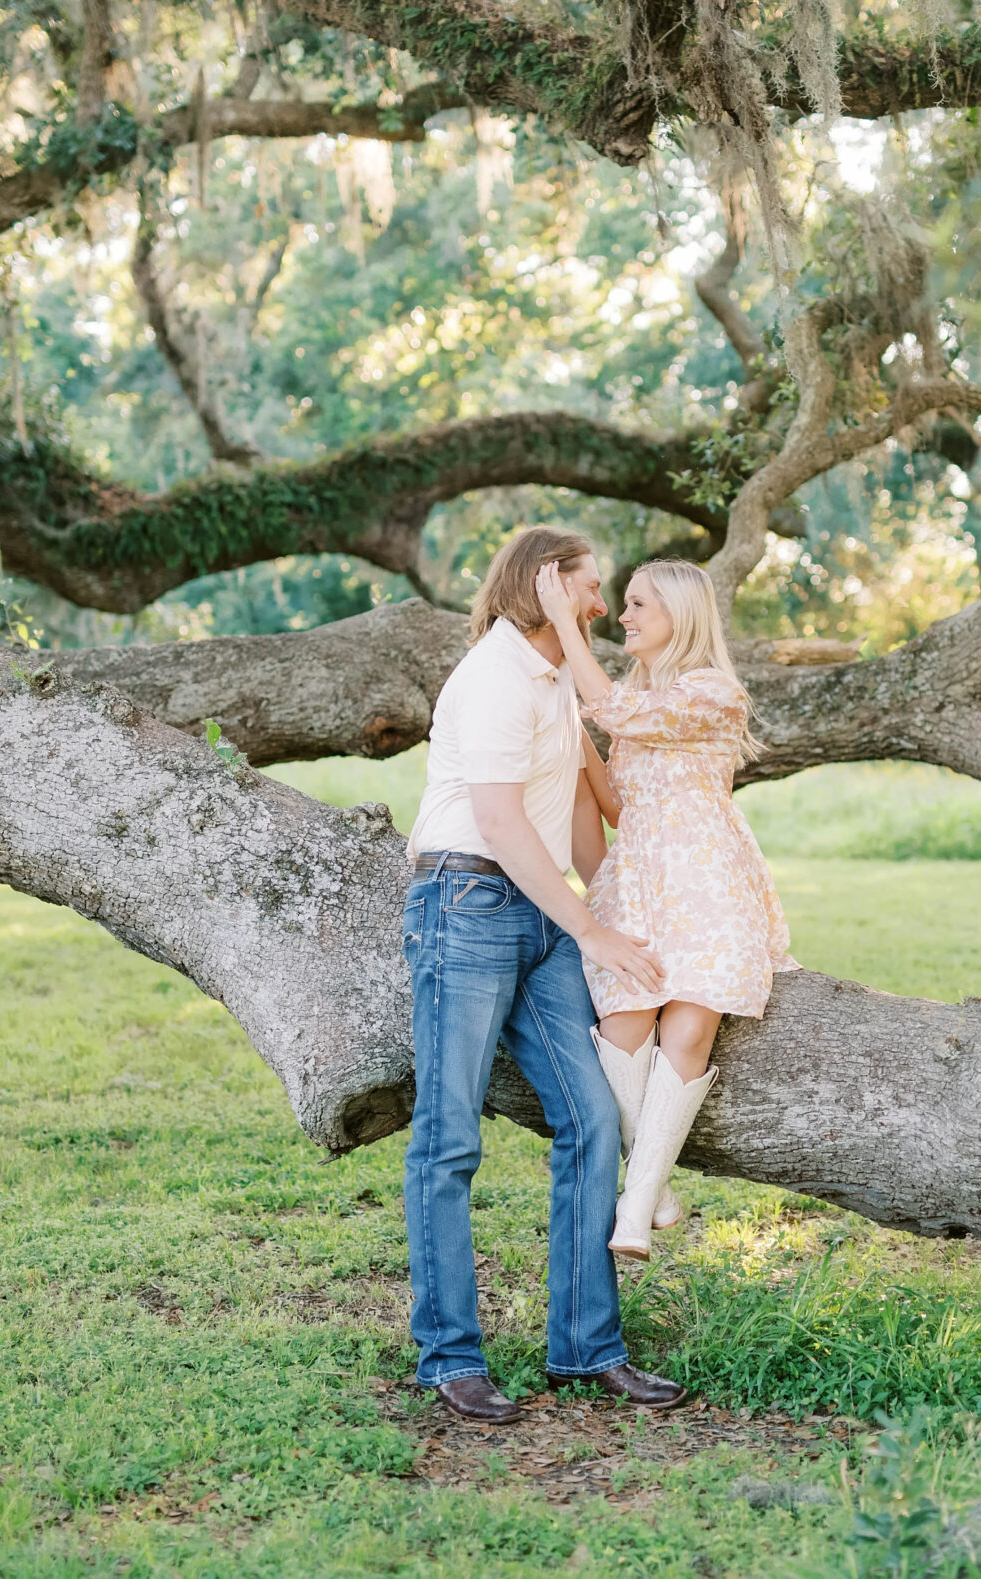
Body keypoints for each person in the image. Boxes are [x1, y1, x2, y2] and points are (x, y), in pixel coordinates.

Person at [400, 526, 689, 1426]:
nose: (602, 605)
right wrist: (591, 930)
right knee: (448, 1140)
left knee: (594, 1116)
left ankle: (586, 1348)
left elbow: (569, 817)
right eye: (589, 587)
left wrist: (618, 911)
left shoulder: (557, 676)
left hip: (536, 913)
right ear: (545, 586)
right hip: (465, 903)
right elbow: (497, 820)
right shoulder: (491, 678)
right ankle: (450, 1359)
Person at [534, 557, 795, 1260]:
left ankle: (636, 1210)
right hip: (644, 876)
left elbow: (617, 709)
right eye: (623, 604)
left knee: (686, 1031)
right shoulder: (638, 696)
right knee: (623, 1020)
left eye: (639, 605)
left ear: (679, 612)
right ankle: (655, 1183)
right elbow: (623, 800)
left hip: (705, 876)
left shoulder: (713, 691)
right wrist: (572, 725)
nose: (624, 617)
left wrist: (565, 622)